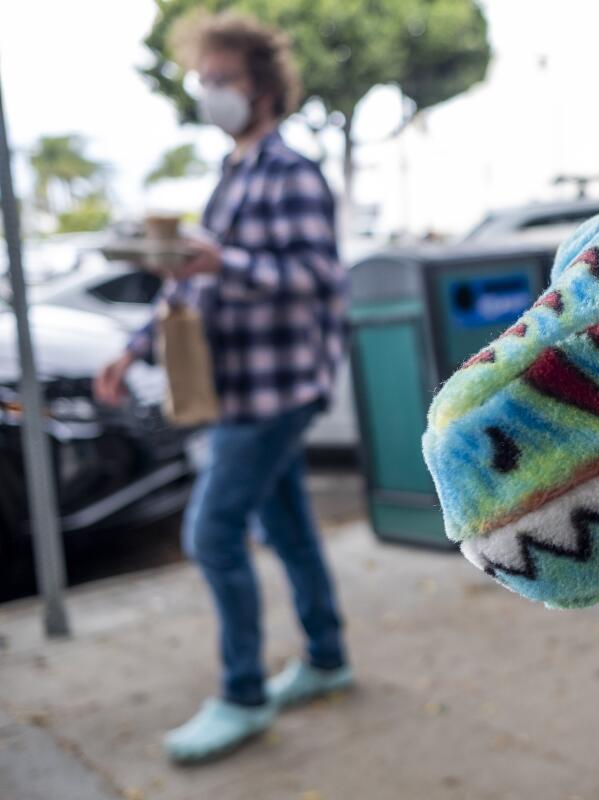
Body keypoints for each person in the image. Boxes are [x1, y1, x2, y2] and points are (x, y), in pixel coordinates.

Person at [93, 12, 352, 762]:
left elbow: (317, 280)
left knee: (210, 533)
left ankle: (243, 695)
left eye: (223, 79)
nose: (210, 93)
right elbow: (194, 287)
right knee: (291, 529)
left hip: (277, 390)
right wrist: (133, 348)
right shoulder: (232, 175)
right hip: (239, 389)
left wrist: (223, 265)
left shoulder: (292, 173)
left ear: (263, 88)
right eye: (202, 81)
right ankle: (328, 656)